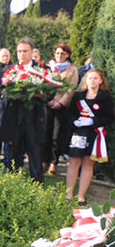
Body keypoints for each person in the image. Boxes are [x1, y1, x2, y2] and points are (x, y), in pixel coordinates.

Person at [0, 38, 47, 183]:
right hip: (14, 119)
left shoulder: (42, 70)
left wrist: (35, 93)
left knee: (35, 154)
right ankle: (13, 185)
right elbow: (0, 92)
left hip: (34, 119)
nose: (22, 54)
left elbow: (48, 93)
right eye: (19, 51)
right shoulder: (10, 70)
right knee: (13, 154)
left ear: (32, 52)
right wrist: (11, 93)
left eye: (25, 51)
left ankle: (37, 186)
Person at [64, 69, 113, 205]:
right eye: (90, 78)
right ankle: (68, 194)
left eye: (95, 78)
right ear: (86, 79)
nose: (92, 81)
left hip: (94, 134)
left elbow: (109, 117)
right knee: (74, 162)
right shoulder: (78, 95)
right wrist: (75, 121)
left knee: (88, 163)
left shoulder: (105, 97)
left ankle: (81, 196)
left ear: (101, 80)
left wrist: (93, 121)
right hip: (78, 133)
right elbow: (69, 113)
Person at [44, 43, 79, 175]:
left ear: (68, 55)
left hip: (61, 107)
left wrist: (60, 102)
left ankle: (54, 162)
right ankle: (44, 160)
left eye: (62, 54)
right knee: (45, 133)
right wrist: (47, 100)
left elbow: (71, 88)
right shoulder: (48, 67)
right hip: (47, 105)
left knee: (56, 136)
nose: (59, 56)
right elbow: (43, 84)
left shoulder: (72, 69)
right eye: (57, 53)